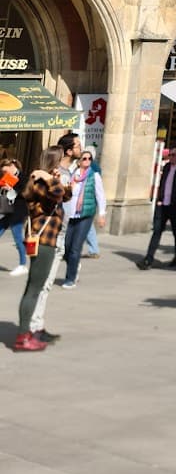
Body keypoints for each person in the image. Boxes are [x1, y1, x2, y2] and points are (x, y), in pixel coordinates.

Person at [13, 150, 71, 351]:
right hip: (43, 242)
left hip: (45, 241)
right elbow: (59, 194)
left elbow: (67, 194)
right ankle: (23, 336)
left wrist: (53, 178)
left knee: (34, 287)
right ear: (53, 163)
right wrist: (48, 178)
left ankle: (26, 332)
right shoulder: (40, 183)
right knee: (34, 289)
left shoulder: (45, 181)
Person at [139, 146, 176, 270]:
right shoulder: (168, 166)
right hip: (163, 204)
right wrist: (159, 199)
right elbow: (163, 183)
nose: (171, 157)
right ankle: (148, 258)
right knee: (157, 231)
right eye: (170, 155)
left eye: (173, 155)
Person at [61, 148, 106, 288]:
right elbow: (67, 194)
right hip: (71, 214)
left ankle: (70, 278)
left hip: (85, 214)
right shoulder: (73, 175)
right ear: (79, 161)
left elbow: (100, 196)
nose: (87, 161)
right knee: (67, 247)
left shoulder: (94, 176)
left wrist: (102, 214)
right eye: (84, 158)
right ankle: (75, 265)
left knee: (75, 248)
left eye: (89, 159)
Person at [0, 157, 28, 278]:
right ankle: (22, 264)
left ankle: (23, 265)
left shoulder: (23, 177)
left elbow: (25, 193)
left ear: (12, 166)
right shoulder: (7, 178)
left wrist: (12, 188)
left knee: (18, 238)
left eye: (6, 171)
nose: (5, 174)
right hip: (8, 210)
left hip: (19, 212)